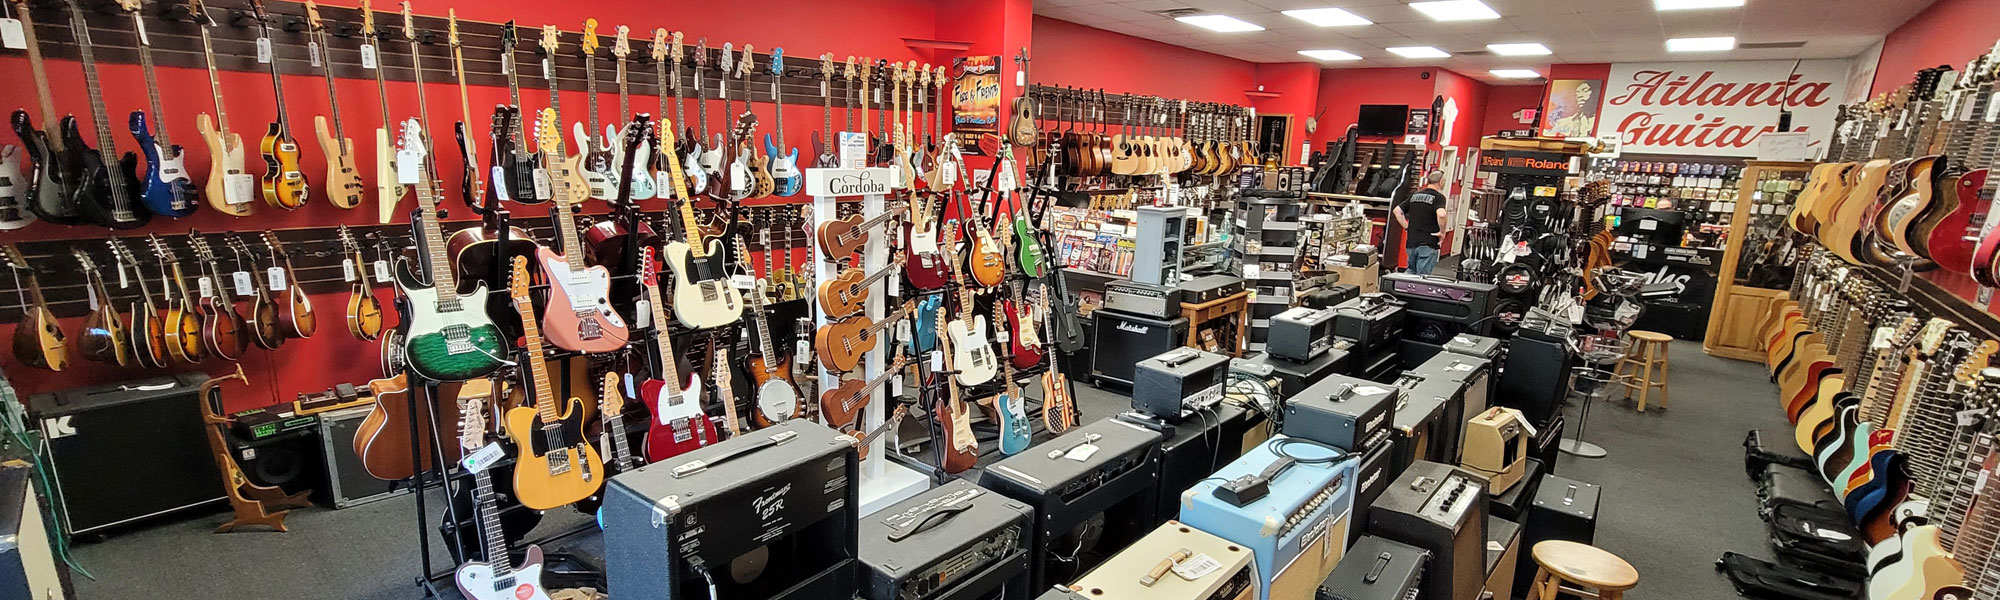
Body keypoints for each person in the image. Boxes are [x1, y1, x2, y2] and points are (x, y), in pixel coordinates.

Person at [1396, 171, 1448, 275]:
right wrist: (1442, 232)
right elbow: (1442, 214)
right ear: (1441, 182)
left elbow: (1397, 211)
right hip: (1427, 243)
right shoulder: (1439, 197)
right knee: (1422, 278)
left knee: (1411, 273)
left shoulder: (1414, 195)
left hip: (1411, 243)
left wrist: (1407, 227)